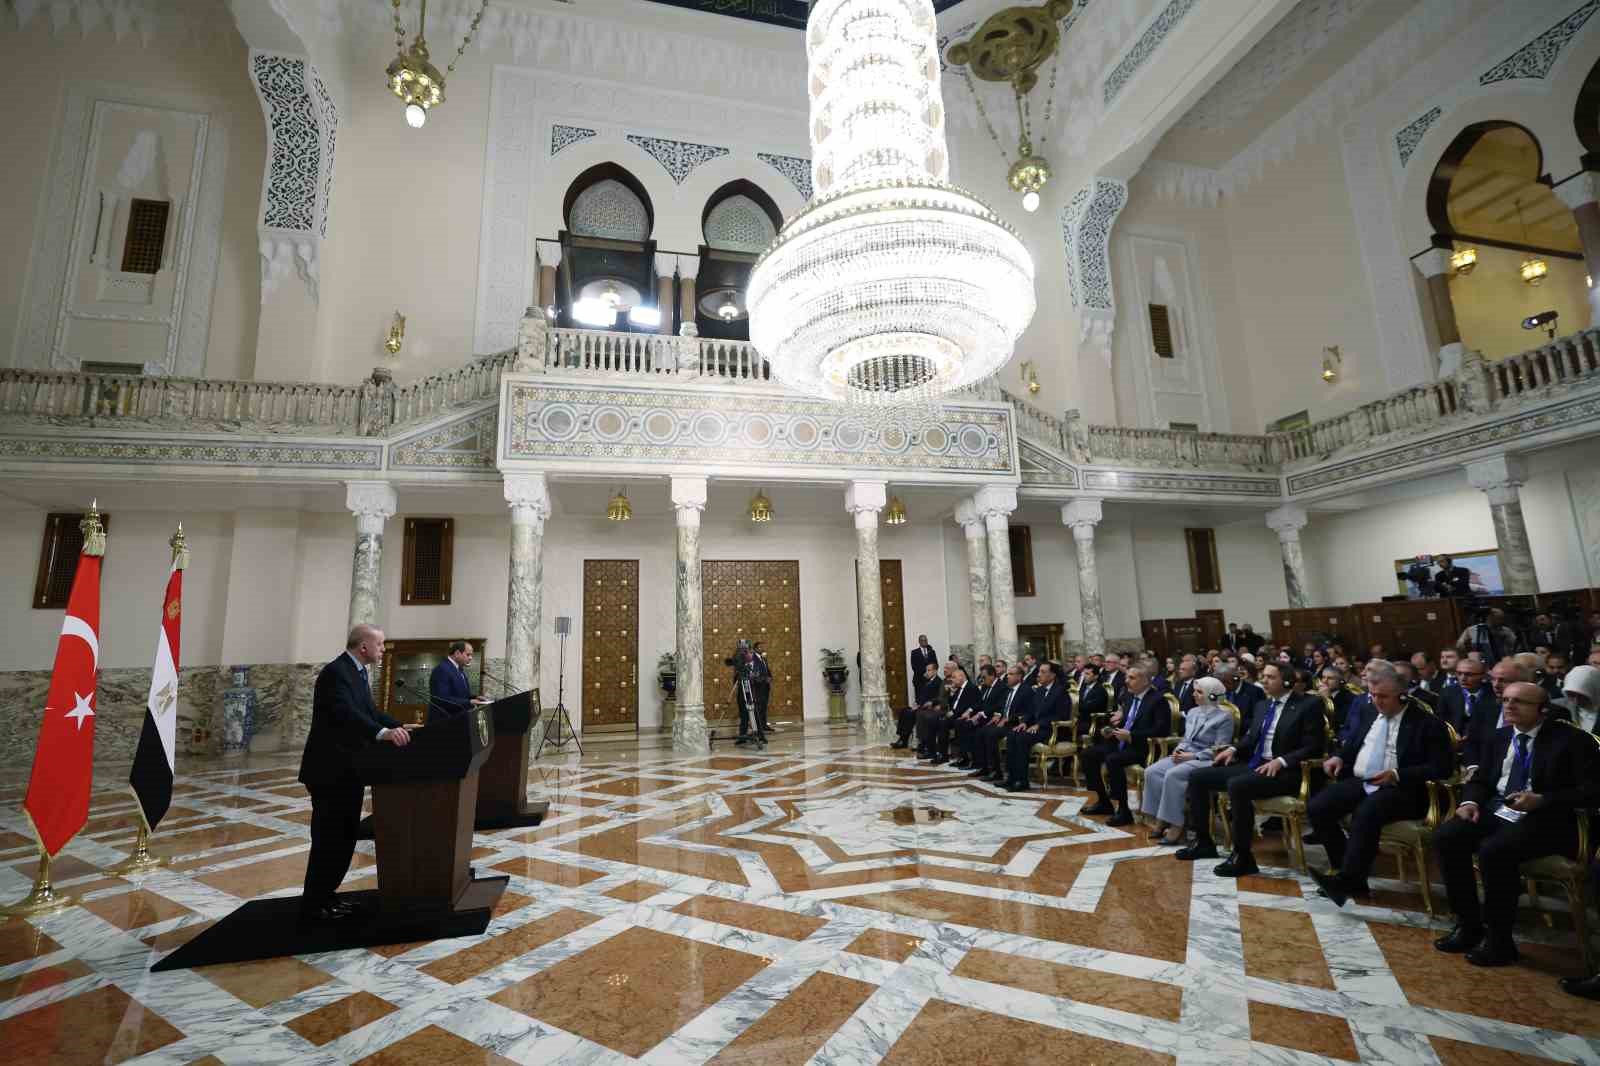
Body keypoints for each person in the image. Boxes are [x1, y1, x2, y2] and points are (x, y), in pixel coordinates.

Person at [1433, 683, 1597, 966]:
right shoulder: (1499, 737)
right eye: (1506, 700)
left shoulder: (1572, 740)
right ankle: (1469, 924)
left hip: (1550, 817)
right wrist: (1469, 802)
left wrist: (1543, 799)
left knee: (1494, 851)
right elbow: (1482, 780)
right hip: (1501, 809)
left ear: (1542, 710)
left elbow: (1592, 790)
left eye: (1519, 702)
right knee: (1448, 836)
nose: (1509, 706)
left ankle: (1500, 941)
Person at [1308, 667, 1452, 906]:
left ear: (1402, 695)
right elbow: (1352, 744)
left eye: (1383, 696)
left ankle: (1347, 880)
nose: (1377, 701)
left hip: (1405, 788)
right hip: (1364, 780)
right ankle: (1347, 872)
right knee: (1318, 806)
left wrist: (1397, 774)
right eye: (1373, 695)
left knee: (1366, 812)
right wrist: (1339, 757)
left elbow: (1442, 767)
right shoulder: (1368, 713)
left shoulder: (1426, 723)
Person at [298, 624, 410, 923]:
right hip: (329, 770)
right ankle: (315, 902)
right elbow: (345, 714)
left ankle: (327, 896)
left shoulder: (358, 672)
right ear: (364, 646)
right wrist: (382, 733)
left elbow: (370, 712)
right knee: (328, 838)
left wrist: (401, 726)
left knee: (344, 836)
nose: (384, 650)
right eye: (381, 644)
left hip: (349, 770)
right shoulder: (337, 673)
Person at [1177, 663, 1326, 876]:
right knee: (1199, 777)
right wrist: (1232, 748)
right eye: (1263, 676)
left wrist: (1282, 760)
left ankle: (1243, 856)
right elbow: (1250, 737)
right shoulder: (1263, 705)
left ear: (1286, 682)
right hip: (1256, 765)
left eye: (1270, 677)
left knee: (1238, 785)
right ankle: (1203, 842)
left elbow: (1313, 746)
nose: (1264, 681)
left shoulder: (1308, 704)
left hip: (1286, 772)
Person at [1142, 676, 1235, 845]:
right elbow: (1186, 738)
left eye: (1199, 692)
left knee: (1173, 774)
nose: (1194, 694)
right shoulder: (1193, 712)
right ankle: (1161, 819)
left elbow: (1220, 748)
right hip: (1185, 754)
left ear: (1212, 696)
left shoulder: (1225, 717)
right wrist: (1180, 749)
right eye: (1195, 691)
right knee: (1151, 772)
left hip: (1205, 759)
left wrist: (1192, 756)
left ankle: (1177, 825)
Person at [1081, 664, 1170, 825]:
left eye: (1132, 678)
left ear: (1145, 681)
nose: (1126, 681)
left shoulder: (1158, 700)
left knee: (1113, 760)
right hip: (1123, 743)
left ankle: (1123, 810)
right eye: (1127, 677)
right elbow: (1127, 722)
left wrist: (1131, 736)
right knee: (1089, 754)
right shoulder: (1129, 697)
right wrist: (1111, 730)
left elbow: (1161, 729)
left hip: (1143, 747)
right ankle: (1103, 801)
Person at [1004, 661, 1066, 792]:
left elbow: (1060, 715)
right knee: (1012, 734)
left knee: (1022, 739)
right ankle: (1012, 777)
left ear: (1052, 675)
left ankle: (1022, 781)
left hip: (1051, 730)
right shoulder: (1039, 690)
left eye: (1043, 672)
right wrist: (1024, 722)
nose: (1039, 675)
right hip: (1035, 728)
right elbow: (1031, 712)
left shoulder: (1060, 691)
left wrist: (1039, 724)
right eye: (1039, 671)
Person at [975, 663, 1032, 782]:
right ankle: (986, 768)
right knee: (982, 732)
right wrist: (998, 715)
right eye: (1008, 674)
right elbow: (1002, 706)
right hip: (1004, 721)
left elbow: (1028, 711)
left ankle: (997, 772)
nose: (1007, 677)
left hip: (1014, 723)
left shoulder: (1026, 690)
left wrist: (1009, 718)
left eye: (1011, 674)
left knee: (991, 734)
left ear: (1019, 677)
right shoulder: (1008, 689)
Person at [919, 665, 977, 764]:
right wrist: (951, 694)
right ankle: (937, 752)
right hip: (954, 714)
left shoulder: (971, 687)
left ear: (961, 677)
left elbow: (970, 705)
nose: (952, 680)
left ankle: (956, 756)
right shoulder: (958, 688)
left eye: (954, 678)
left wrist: (953, 712)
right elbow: (953, 703)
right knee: (936, 721)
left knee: (943, 722)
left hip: (962, 715)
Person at [953, 664, 1006, 769]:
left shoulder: (1001, 687)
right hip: (983, 716)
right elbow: (980, 703)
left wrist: (980, 714)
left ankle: (979, 762)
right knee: (962, 723)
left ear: (992, 676)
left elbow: (998, 706)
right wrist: (972, 712)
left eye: (984, 677)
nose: (982, 679)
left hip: (991, 718)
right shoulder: (986, 687)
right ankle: (968, 758)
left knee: (973, 729)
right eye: (981, 677)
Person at [427, 640, 488, 724]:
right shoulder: (442, 669)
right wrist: (469, 702)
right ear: (457, 653)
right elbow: (442, 699)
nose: (471, 658)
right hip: (444, 722)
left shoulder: (459, 669)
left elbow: (460, 695)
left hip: (457, 720)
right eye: (468, 654)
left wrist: (474, 698)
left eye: (471, 655)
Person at [896, 661, 941, 749]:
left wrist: (920, 705)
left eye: (929, 670)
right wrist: (916, 702)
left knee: (909, 714)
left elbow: (936, 697)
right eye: (926, 670)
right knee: (904, 711)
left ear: (935, 671)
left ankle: (904, 740)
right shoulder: (926, 681)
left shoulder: (938, 682)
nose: (927, 672)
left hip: (927, 707)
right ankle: (902, 738)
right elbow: (921, 695)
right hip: (920, 705)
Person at [1555, 664, 1600, 734]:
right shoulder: (1557, 707)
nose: (1576, 701)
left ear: (1594, 690)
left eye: (1582, 696)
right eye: (1571, 695)